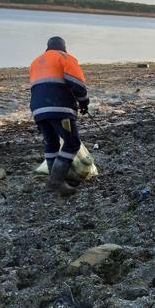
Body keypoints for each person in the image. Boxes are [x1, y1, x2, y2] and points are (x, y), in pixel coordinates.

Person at [29, 36, 89, 196]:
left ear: (47, 48)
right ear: (64, 48)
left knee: (51, 143)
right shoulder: (65, 58)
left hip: (37, 109)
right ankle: (55, 182)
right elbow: (78, 85)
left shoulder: (36, 62)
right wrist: (84, 102)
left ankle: (55, 179)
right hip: (59, 107)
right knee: (71, 143)